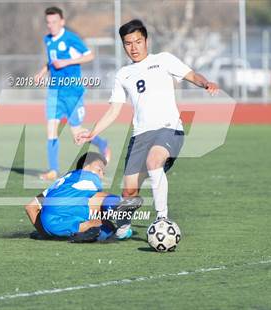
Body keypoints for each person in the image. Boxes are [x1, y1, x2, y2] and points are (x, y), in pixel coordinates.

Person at [77, 19, 219, 237]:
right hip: (140, 136)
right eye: (128, 43)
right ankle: (123, 228)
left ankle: (162, 218)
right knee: (129, 191)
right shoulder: (123, 74)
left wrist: (206, 83)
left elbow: (192, 75)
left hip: (169, 129)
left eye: (138, 41)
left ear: (146, 40)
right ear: (123, 45)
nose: (133, 48)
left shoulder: (163, 60)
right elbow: (114, 111)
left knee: (154, 162)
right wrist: (93, 132)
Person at [34, 6, 110, 181]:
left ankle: (101, 143)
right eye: (48, 22)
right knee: (51, 130)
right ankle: (53, 170)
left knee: (76, 132)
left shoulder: (70, 38)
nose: (51, 25)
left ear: (62, 22)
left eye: (54, 22)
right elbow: (52, 61)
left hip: (72, 92)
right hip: (55, 91)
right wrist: (42, 71)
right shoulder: (48, 39)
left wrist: (67, 61)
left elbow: (90, 56)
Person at [24, 152, 143, 242]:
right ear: (85, 166)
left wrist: (44, 233)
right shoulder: (88, 176)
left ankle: (90, 231)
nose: (101, 175)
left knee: (94, 219)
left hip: (50, 223)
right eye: (99, 169)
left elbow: (30, 207)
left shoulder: (62, 182)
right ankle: (117, 205)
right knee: (104, 213)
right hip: (67, 211)